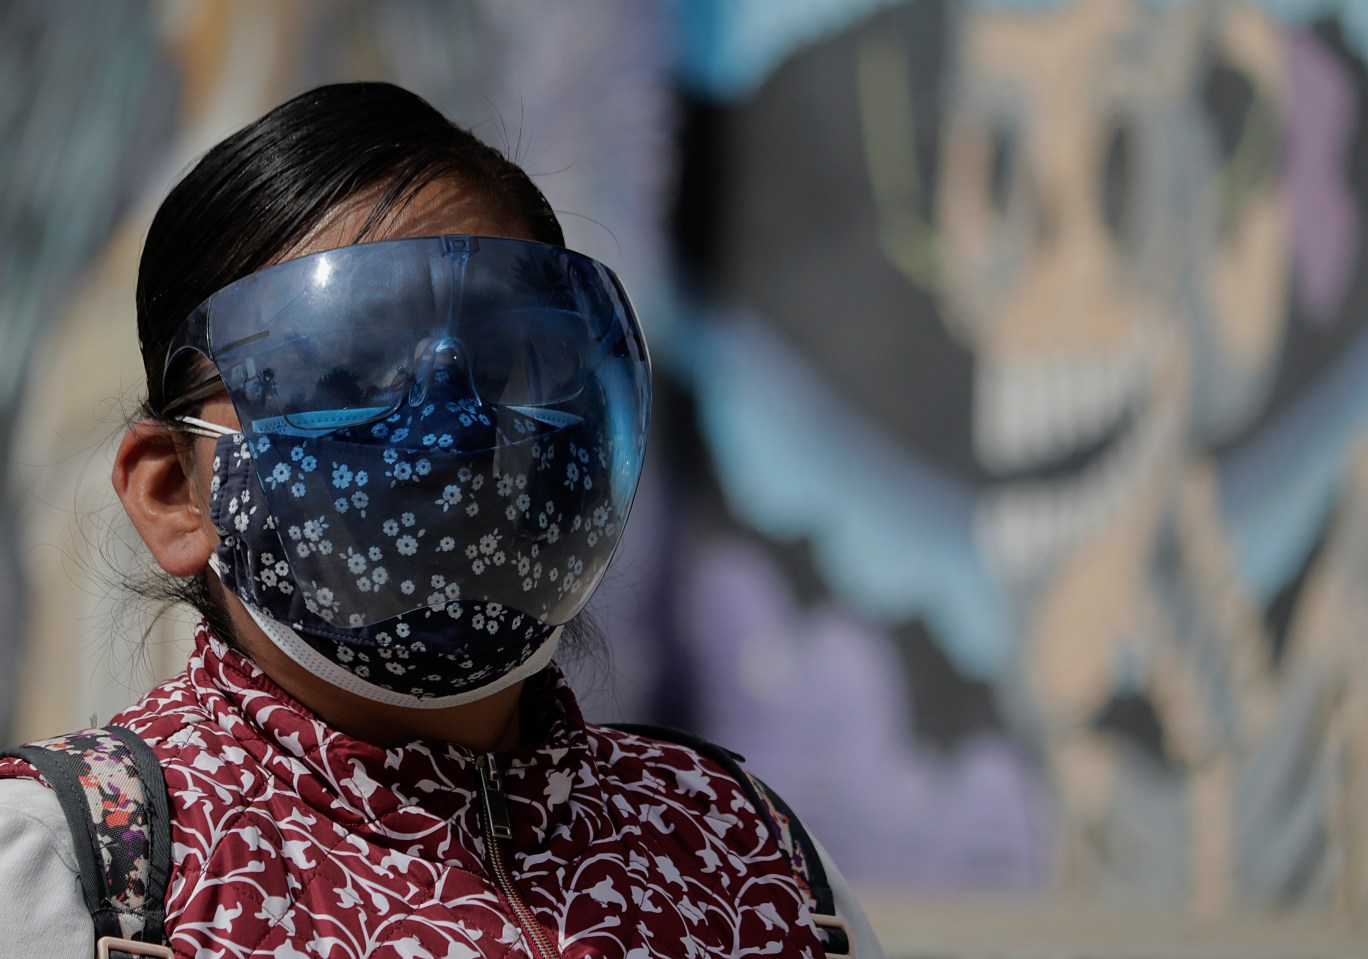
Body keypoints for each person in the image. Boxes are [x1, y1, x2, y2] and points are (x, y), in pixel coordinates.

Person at [0, 82, 881, 958]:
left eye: (514, 360)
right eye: (348, 373)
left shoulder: (752, 858)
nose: (460, 425)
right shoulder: (75, 878)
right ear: (172, 491)